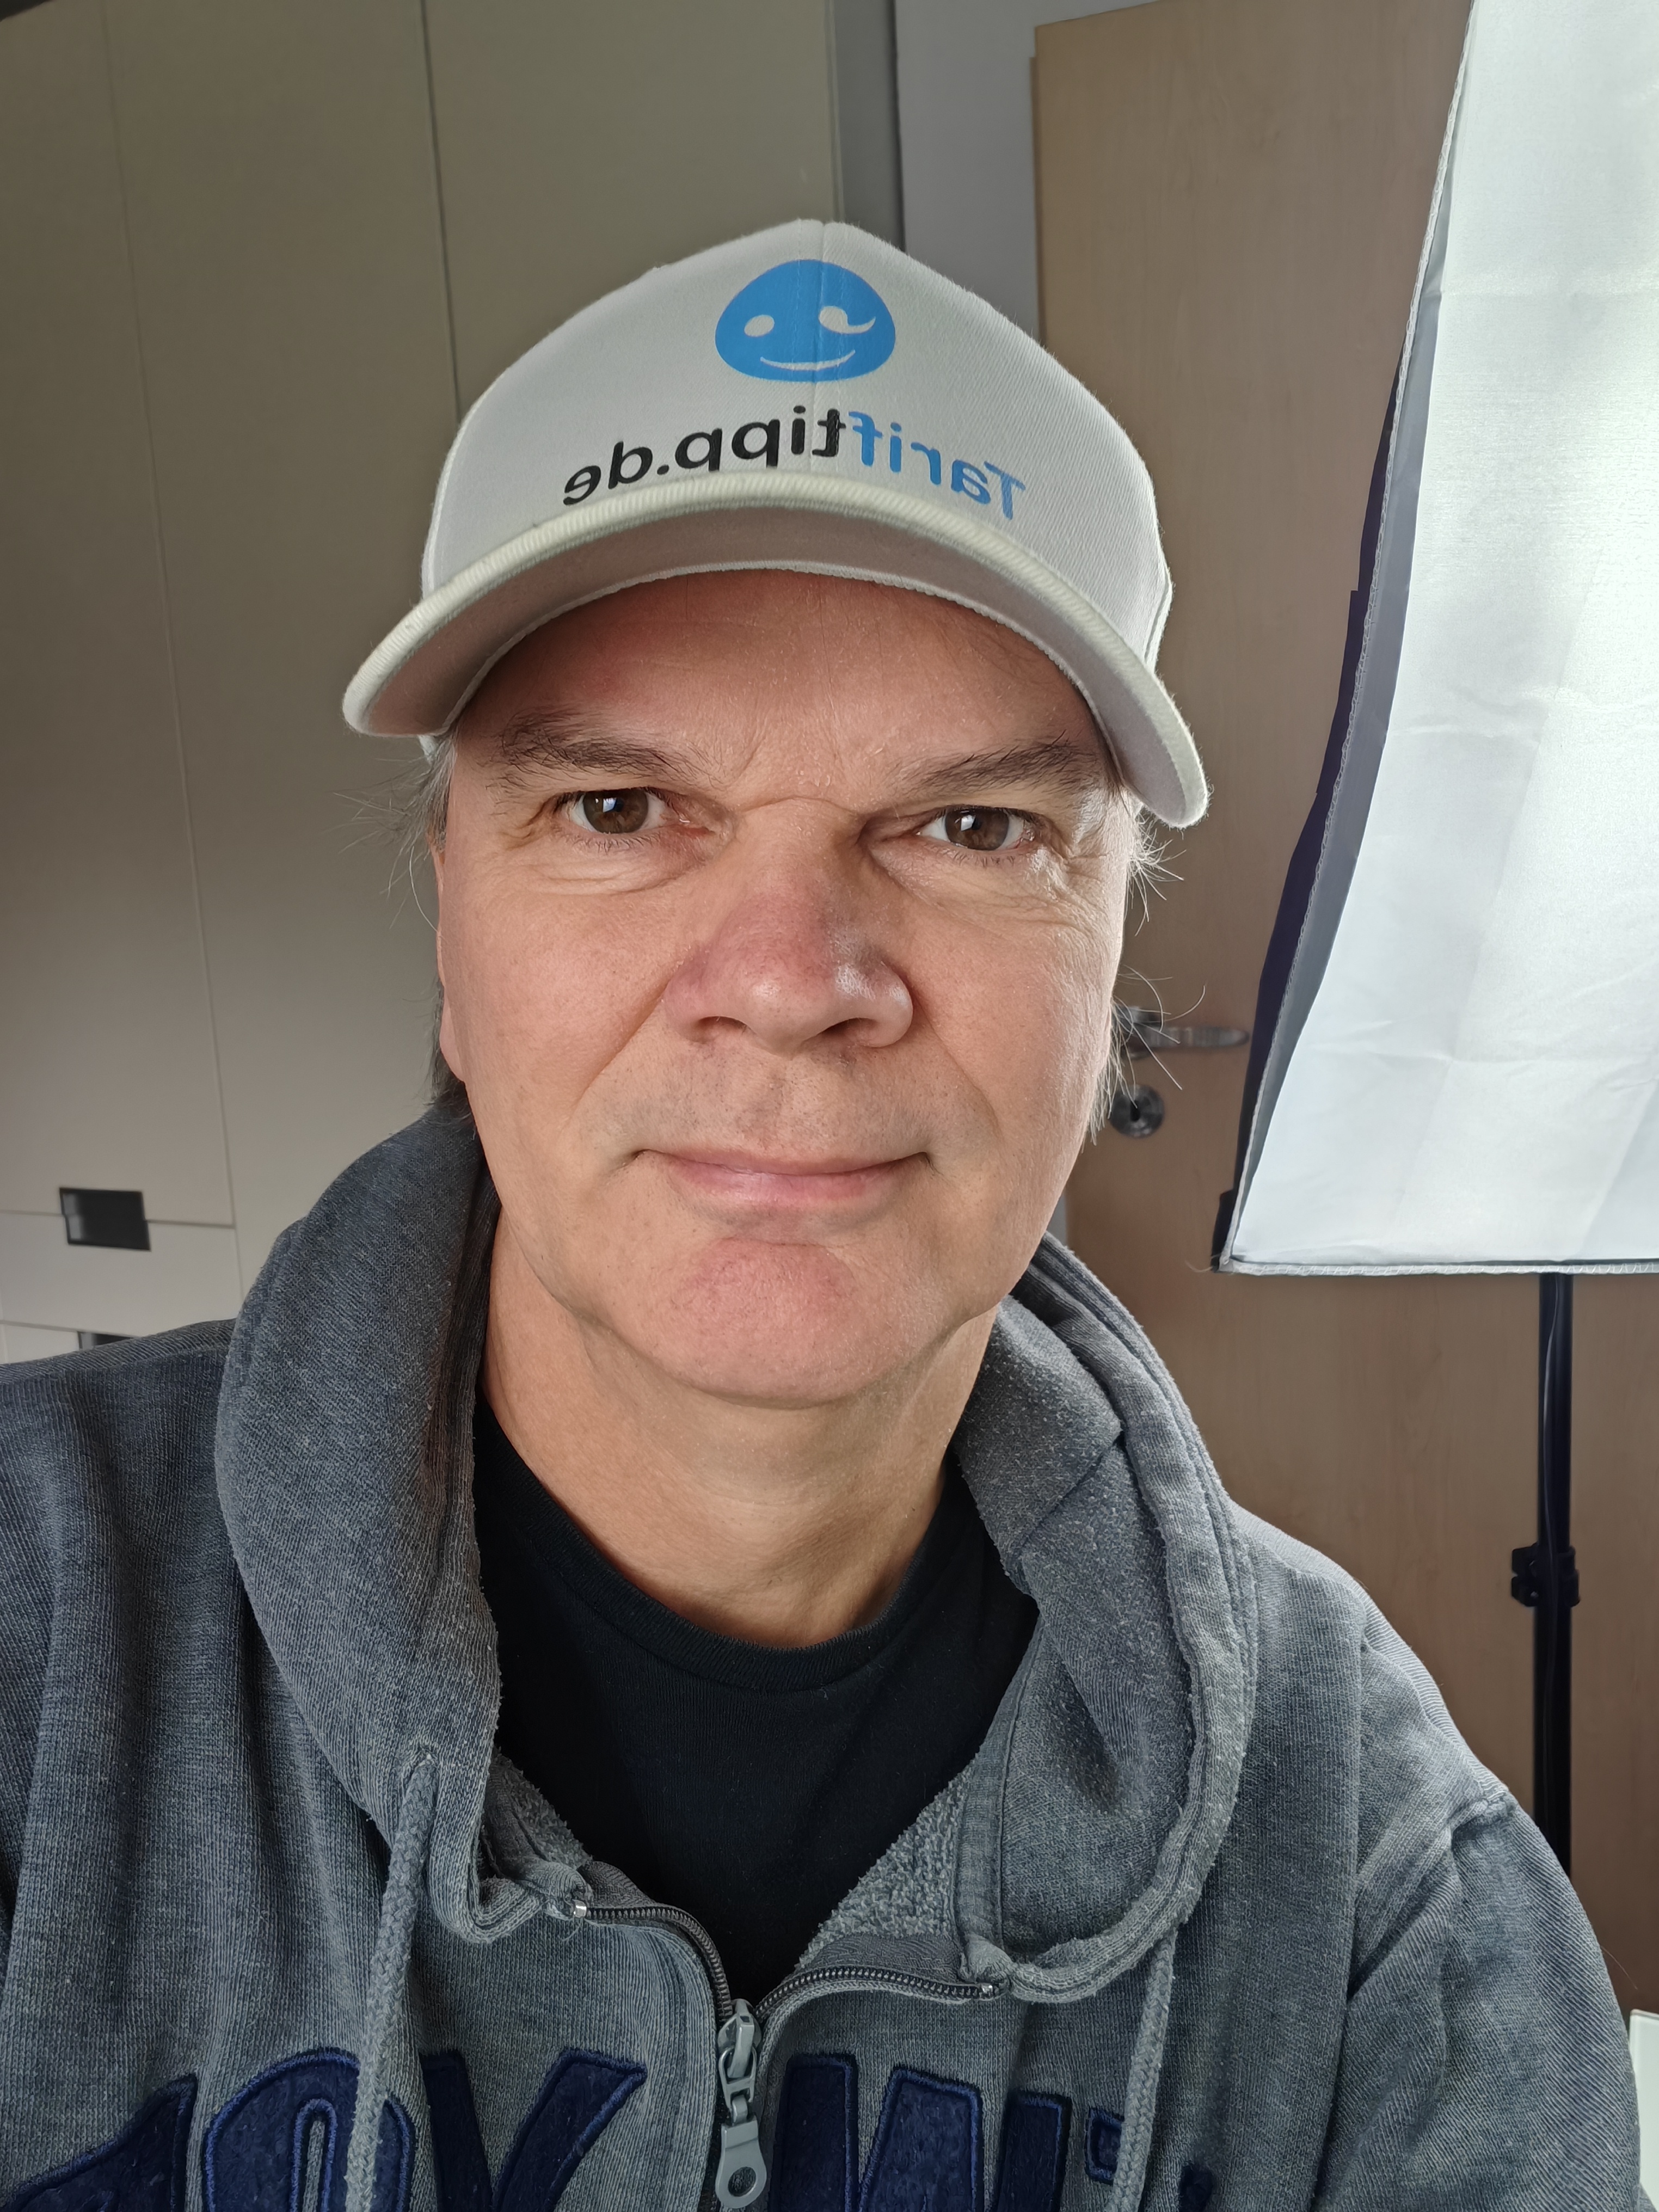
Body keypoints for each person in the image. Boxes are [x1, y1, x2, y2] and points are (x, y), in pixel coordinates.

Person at [0, 222, 1642, 2212]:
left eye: (972, 826)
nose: (790, 981)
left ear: (1109, 966)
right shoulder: (38, 1627)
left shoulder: (1367, 1849)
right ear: (451, 933)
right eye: (619, 811)